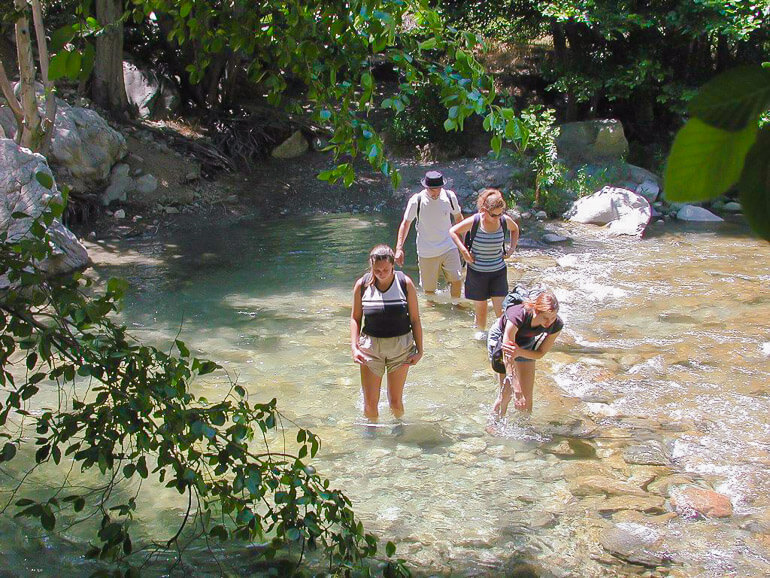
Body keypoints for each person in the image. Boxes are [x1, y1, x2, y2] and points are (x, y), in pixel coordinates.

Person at [351, 244, 423, 421]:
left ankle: (398, 431)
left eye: (385, 269)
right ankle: (371, 435)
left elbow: (415, 319)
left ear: (393, 265)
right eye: (377, 270)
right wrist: (354, 347)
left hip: (401, 347)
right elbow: (355, 318)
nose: (381, 273)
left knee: (396, 402)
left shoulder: (405, 283)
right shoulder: (362, 285)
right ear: (371, 266)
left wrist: (420, 351)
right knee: (370, 403)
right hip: (371, 348)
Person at [449, 188, 519, 339]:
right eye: (494, 215)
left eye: (501, 213)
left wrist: (512, 248)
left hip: (498, 272)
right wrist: (464, 252)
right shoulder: (475, 221)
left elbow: (515, 229)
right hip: (477, 273)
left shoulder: (504, 221)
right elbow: (453, 231)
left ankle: (502, 339)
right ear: (483, 210)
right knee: (481, 314)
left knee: (501, 311)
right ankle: (480, 341)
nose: (497, 217)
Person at [487, 289, 562, 417]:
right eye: (545, 318)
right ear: (535, 311)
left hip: (525, 343)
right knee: (506, 394)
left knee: (526, 400)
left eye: (553, 317)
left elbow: (540, 353)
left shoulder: (556, 325)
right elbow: (508, 354)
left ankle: (525, 430)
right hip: (501, 339)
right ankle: (494, 423)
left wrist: (520, 352)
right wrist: (516, 388)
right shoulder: (518, 315)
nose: (549, 322)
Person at [394, 171, 464, 302]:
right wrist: (399, 248)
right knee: (429, 291)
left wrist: (464, 242)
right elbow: (406, 223)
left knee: (456, 280)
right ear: (426, 188)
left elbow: (459, 217)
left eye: (438, 189)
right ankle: (433, 315)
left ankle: (457, 306)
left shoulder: (449, 197)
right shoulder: (417, 201)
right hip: (427, 251)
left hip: (449, 246)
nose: (435, 193)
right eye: (432, 190)